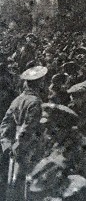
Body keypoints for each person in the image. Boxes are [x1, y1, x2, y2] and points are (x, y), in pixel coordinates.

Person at [0, 66, 46, 200]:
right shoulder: (36, 102)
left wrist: (7, 143)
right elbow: (29, 127)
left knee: (13, 180)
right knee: (26, 182)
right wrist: (19, 145)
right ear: (39, 84)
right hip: (29, 146)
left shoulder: (17, 99)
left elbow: (5, 123)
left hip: (15, 143)